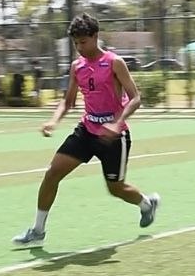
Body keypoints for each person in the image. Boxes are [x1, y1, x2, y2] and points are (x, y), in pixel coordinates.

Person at [13, 13, 160, 247]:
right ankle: (38, 230)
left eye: (83, 42)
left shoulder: (114, 62)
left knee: (116, 188)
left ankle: (146, 204)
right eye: (75, 43)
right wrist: (53, 120)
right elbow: (68, 101)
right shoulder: (77, 66)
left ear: (95, 37)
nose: (79, 48)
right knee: (52, 174)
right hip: (87, 130)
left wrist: (116, 123)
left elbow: (135, 98)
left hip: (114, 137)